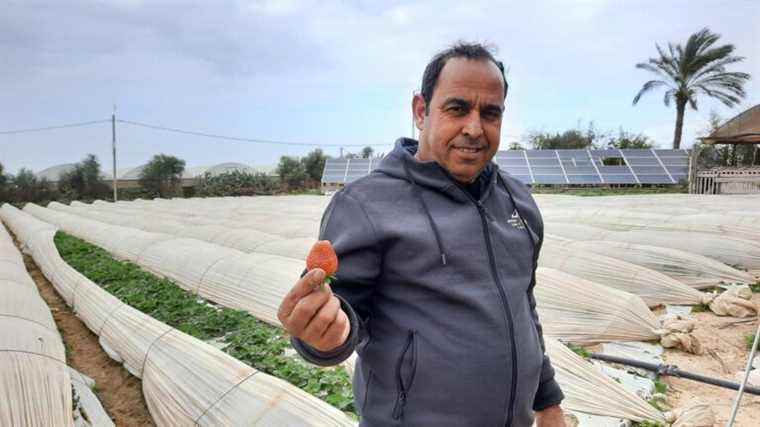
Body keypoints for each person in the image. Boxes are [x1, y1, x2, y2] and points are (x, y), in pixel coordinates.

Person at [277, 42, 565, 427]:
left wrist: (548, 402)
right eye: (457, 108)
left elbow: (523, 308)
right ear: (420, 110)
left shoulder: (517, 201)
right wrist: (322, 335)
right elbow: (341, 310)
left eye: (490, 113)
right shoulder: (366, 204)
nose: (474, 128)